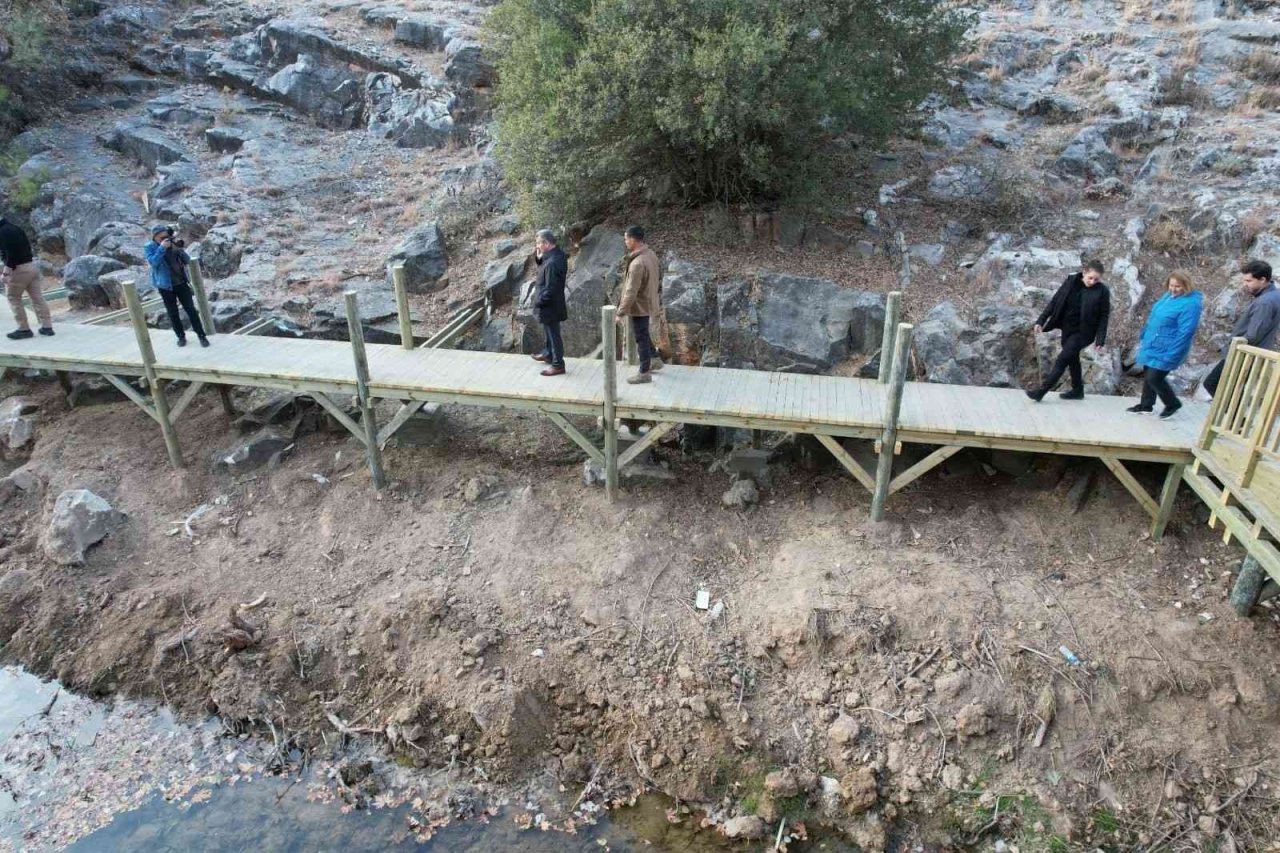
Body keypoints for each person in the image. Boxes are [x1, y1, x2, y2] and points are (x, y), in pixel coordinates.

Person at [1026, 260, 1111, 402]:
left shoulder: (1102, 291)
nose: (1092, 281)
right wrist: (1041, 321)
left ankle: (1041, 391)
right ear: (1084, 272)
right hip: (1067, 328)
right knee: (1072, 359)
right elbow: (1055, 300)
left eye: (1096, 279)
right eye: (1090, 277)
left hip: (1084, 333)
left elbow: (1104, 316)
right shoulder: (1071, 281)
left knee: (1062, 360)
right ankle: (1078, 390)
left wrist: (1100, 339)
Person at [1127, 271, 1203, 419]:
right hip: (1153, 342)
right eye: (1171, 285)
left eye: (1178, 286)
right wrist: (1145, 333)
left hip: (1168, 347)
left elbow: (1186, 332)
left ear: (1186, 286)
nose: (1173, 289)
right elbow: (1155, 315)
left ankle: (1172, 403)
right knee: (1148, 373)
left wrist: (1172, 353)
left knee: (1154, 378)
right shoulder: (1168, 296)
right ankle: (1146, 405)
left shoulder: (1191, 304)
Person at [1202, 259, 1280, 397]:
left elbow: (1253, 335)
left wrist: (1235, 346)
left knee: (1212, 383)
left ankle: (1234, 418)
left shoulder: (1265, 302)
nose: (1245, 285)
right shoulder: (1274, 295)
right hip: (1251, 353)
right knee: (1234, 390)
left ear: (1262, 279)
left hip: (1243, 353)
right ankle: (1235, 417)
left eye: (1249, 281)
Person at [145, 225, 208, 348]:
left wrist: (178, 249)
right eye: (162, 237)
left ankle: (202, 336)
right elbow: (153, 263)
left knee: (191, 311)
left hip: (181, 283)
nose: (165, 239)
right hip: (165, 286)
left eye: (166, 236)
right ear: (155, 237)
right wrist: (162, 248)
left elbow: (188, 260)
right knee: (173, 313)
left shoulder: (172, 244)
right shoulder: (150, 247)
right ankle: (181, 337)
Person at [617, 225, 663, 384]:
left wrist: (620, 312)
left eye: (626, 239)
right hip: (650, 300)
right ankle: (655, 359)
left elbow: (631, 291)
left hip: (640, 305)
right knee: (643, 333)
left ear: (633, 239)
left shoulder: (637, 263)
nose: (625, 242)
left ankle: (644, 372)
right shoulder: (651, 255)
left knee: (640, 338)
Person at [0, 215, 54, 340]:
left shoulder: (3, 232)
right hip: (31, 266)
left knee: (13, 298)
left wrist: (5, 273)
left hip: (18, 269)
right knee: (37, 298)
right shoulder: (16, 228)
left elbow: (10, 254)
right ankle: (47, 327)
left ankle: (23, 329)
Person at [531, 228, 567, 377]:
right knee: (549, 331)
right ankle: (548, 354)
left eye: (539, 244)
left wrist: (538, 301)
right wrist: (539, 257)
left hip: (550, 305)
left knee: (553, 334)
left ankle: (558, 365)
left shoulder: (553, 262)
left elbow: (550, 288)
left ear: (546, 243)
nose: (537, 247)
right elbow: (544, 267)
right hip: (552, 304)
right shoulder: (556, 255)